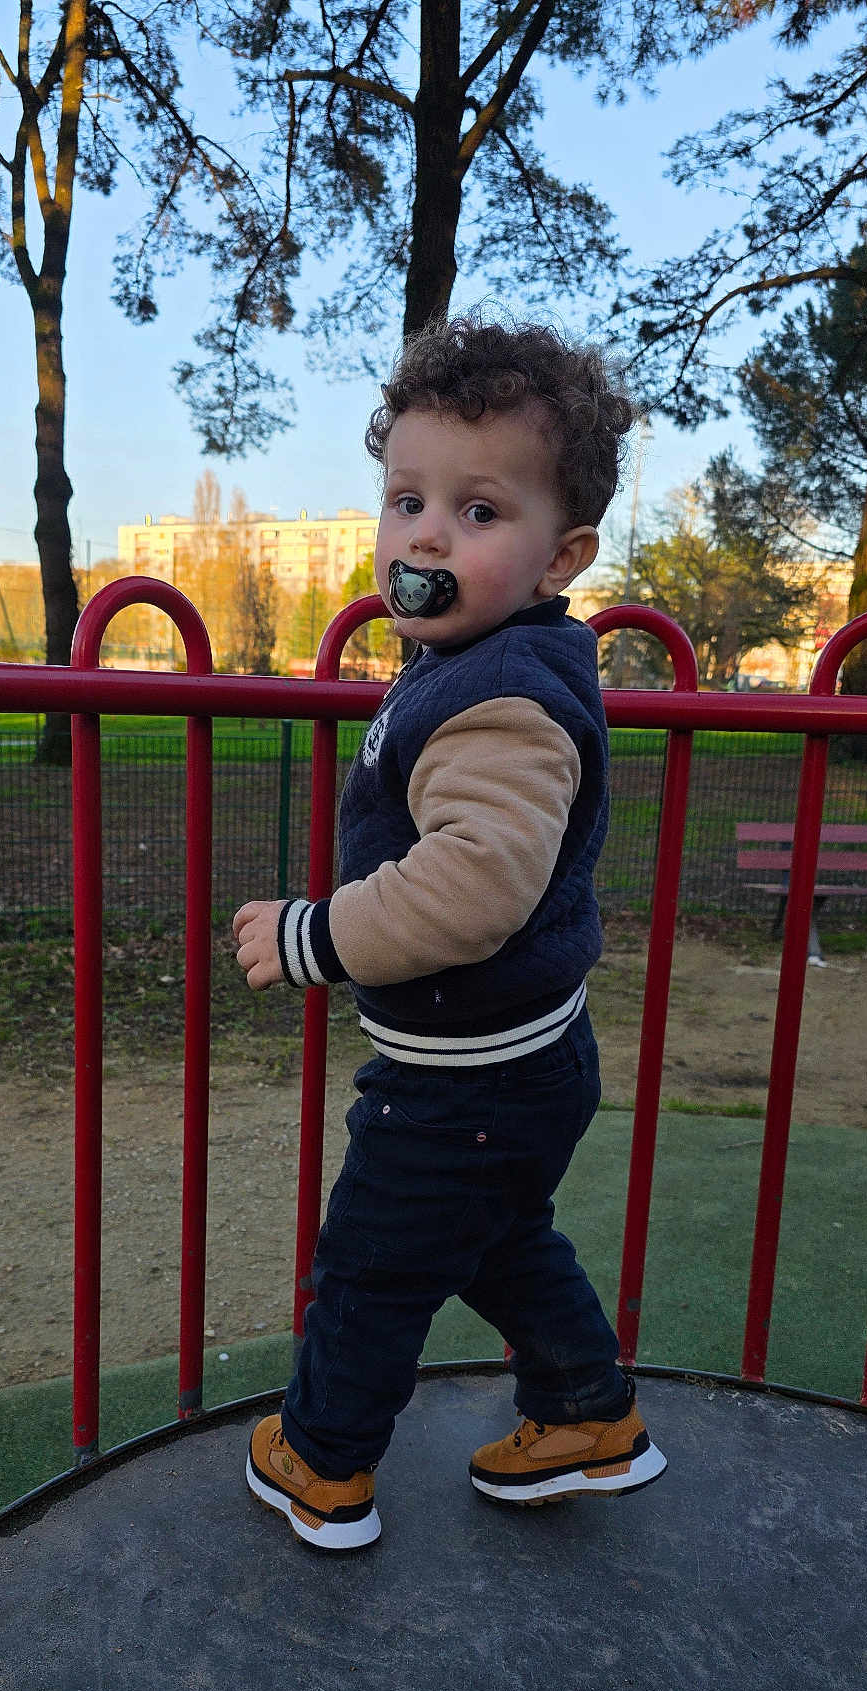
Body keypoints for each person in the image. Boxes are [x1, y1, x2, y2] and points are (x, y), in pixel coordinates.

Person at [232, 314, 666, 1551]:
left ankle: (321, 1463)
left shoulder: (506, 701)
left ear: (557, 558)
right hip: (514, 1070)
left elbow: (476, 883)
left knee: (372, 1264)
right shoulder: (472, 660)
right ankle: (587, 1413)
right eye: (406, 498)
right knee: (498, 1233)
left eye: (479, 513)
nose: (425, 533)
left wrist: (316, 936)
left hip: (469, 1082)